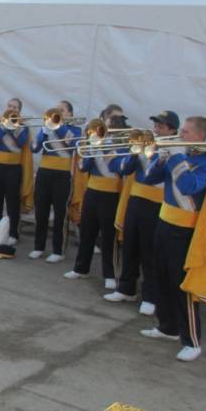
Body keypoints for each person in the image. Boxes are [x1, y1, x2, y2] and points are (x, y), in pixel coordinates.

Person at [139, 116, 206, 362]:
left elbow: (188, 187)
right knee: (161, 277)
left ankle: (192, 341)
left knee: (181, 285)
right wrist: (162, 158)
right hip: (164, 222)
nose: (181, 135)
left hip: (185, 230)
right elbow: (148, 178)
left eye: (186, 132)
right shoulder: (178, 154)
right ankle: (167, 327)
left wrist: (176, 157)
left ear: (200, 136)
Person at [106, 111, 179, 314]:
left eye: (161, 127)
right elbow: (126, 170)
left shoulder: (174, 148)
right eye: (156, 125)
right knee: (130, 245)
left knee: (149, 252)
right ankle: (126, 288)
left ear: (172, 130)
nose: (156, 130)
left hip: (156, 203)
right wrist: (134, 153)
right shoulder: (146, 144)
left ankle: (150, 295)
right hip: (136, 199)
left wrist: (153, 153)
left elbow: (155, 177)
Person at [64, 104, 127, 288]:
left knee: (109, 237)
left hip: (112, 193)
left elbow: (121, 169)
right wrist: (92, 149)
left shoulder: (123, 144)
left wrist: (106, 149)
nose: (108, 128)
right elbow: (83, 167)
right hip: (92, 191)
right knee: (87, 232)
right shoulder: (95, 141)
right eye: (108, 123)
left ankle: (110, 274)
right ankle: (80, 268)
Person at [30, 100, 81, 263]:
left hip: (62, 175)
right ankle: (39, 247)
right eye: (56, 110)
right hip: (44, 173)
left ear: (69, 114)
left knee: (60, 215)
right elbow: (34, 148)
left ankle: (58, 250)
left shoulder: (74, 129)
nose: (57, 113)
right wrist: (43, 132)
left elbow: (71, 144)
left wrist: (59, 127)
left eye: (62, 110)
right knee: (41, 212)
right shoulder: (47, 127)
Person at [0, 97, 33, 257]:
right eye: (9, 106)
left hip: (13, 168)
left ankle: (13, 233)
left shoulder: (23, 128)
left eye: (15, 107)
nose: (12, 109)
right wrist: (2, 127)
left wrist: (13, 127)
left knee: (12, 201)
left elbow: (21, 143)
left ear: (19, 110)